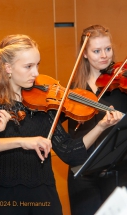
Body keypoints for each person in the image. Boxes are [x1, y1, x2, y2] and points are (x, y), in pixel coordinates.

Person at [0, 34, 122, 215]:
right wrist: (23, 141)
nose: (36, 73)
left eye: (37, 65)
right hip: (6, 197)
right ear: (8, 67)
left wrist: (101, 126)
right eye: (28, 66)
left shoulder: (44, 102)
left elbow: (69, 151)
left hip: (45, 195)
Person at [67, 25, 127, 215]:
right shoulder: (75, 89)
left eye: (108, 49)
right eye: (97, 51)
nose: (104, 55)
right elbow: (69, 139)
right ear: (84, 54)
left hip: (118, 173)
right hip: (83, 176)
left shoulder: (122, 82)